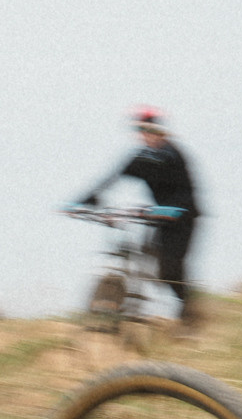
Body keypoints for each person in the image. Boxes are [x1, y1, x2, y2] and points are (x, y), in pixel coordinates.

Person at [74, 107, 203, 330]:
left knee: (169, 270)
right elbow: (113, 177)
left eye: (150, 130)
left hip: (183, 218)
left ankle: (190, 314)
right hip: (160, 217)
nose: (145, 135)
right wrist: (87, 200)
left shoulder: (172, 155)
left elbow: (185, 190)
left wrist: (169, 209)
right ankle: (121, 308)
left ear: (161, 132)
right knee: (144, 258)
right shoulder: (142, 157)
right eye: (141, 130)